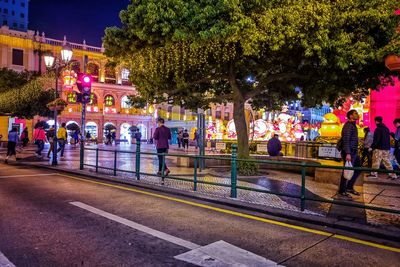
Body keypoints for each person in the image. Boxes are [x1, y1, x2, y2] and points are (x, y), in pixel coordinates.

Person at [338, 110, 361, 197]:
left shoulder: (353, 125)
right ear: (350, 116)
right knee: (347, 169)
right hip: (349, 151)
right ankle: (342, 190)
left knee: (358, 168)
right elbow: (346, 140)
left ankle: (349, 187)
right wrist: (348, 153)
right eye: (355, 113)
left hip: (354, 151)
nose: (357, 114)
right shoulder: (348, 126)